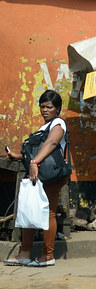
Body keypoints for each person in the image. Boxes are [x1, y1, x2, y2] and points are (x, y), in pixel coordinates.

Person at [4, 90, 72, 267]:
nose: (44, 110)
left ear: (57, 109)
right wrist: (18, 156)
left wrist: (34, 161)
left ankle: (48, 255)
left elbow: (51, 144)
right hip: (39, 175)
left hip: (51, 176)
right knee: (28, 210)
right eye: (42, 106)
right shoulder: (45, 126)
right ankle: (25, 253)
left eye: (49, 107)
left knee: (48, 212)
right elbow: (37, 150)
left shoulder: (58, 124)